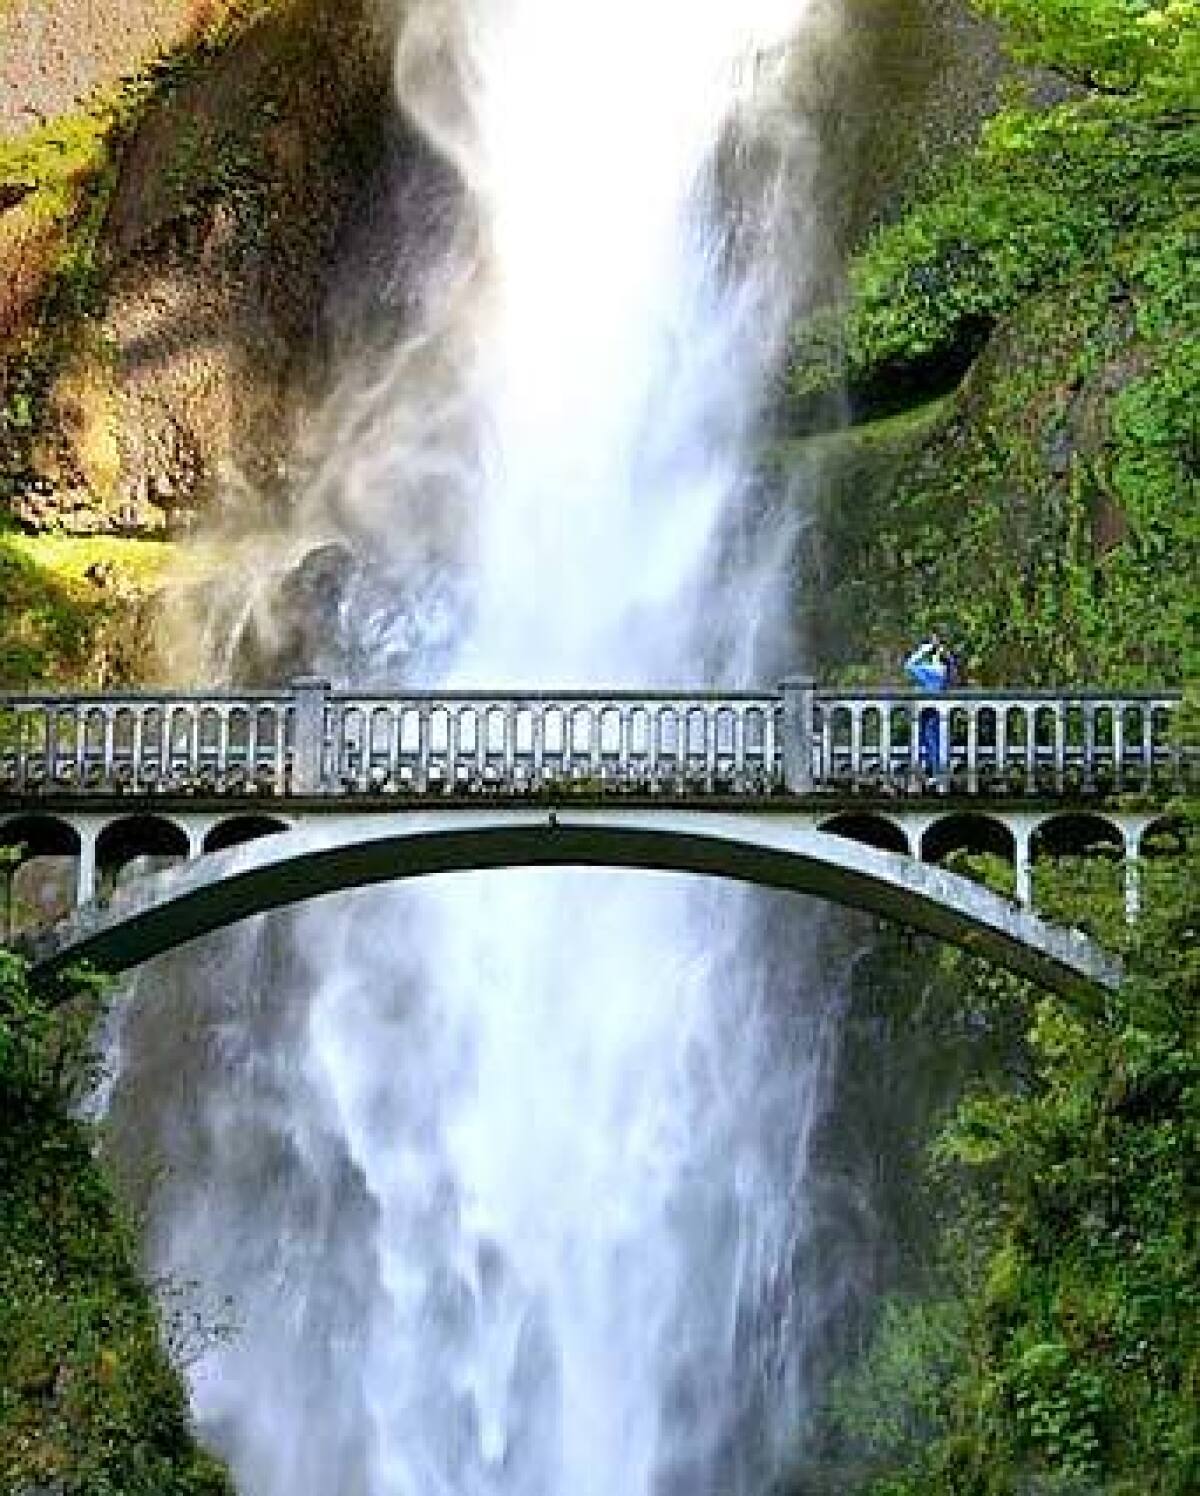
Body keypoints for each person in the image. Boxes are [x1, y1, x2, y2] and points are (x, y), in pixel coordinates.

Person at [904, 635, 949, 776]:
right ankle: (933, 770)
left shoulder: (934, 670)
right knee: (932, 739)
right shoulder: (942, 670)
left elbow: (909, 665)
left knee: (929, 738)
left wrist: (927, 648)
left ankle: (933, 771)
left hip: (929, 708)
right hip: (934, 708)